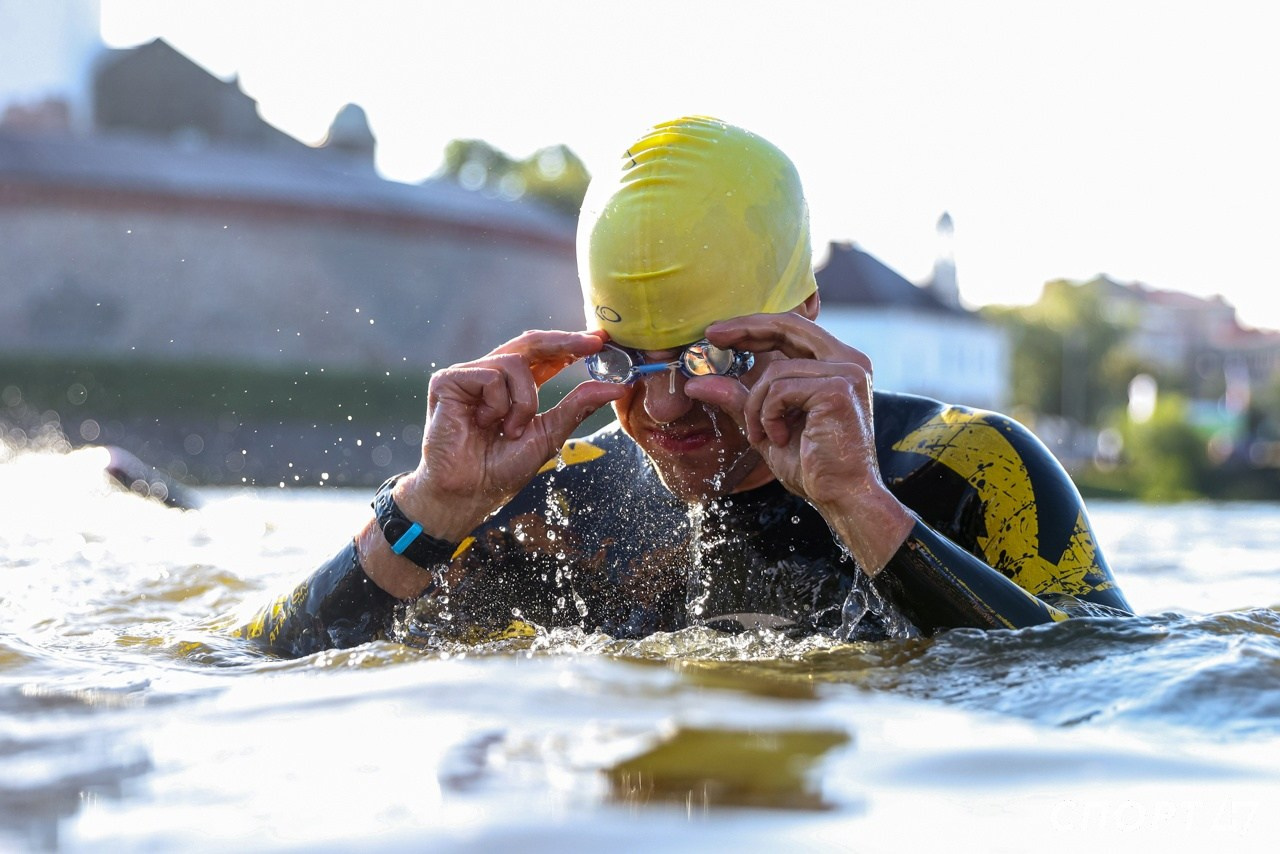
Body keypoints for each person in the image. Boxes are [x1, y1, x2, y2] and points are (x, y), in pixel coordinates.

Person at [238, 116, 1131, 657]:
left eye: (712, 360)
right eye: (627, 363)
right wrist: (428, 508)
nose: (663, 408)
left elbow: (1101, 684)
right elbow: (262, 667)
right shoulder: (549, 503)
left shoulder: (972, 472)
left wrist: (861, 507)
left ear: (807, 321)